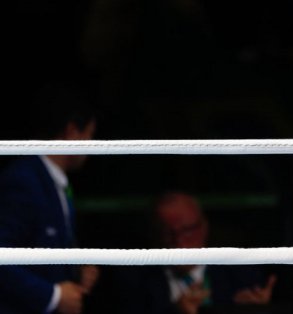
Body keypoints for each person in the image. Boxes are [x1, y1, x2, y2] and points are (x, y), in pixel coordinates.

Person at [0, 81, 100, 314]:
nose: (92, 145)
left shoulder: (52, 179)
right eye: (90, 135)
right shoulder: (23, 181)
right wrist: (52, 296)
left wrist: (75, 267)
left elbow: (42, 242)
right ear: (72, 131)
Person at [107, 192, 277, 314]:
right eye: (168, 233)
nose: (179, 241)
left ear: (204, 228)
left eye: (187, 230)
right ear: (154, 235)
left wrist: (257, 310)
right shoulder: (133, 279)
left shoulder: (242, 274)